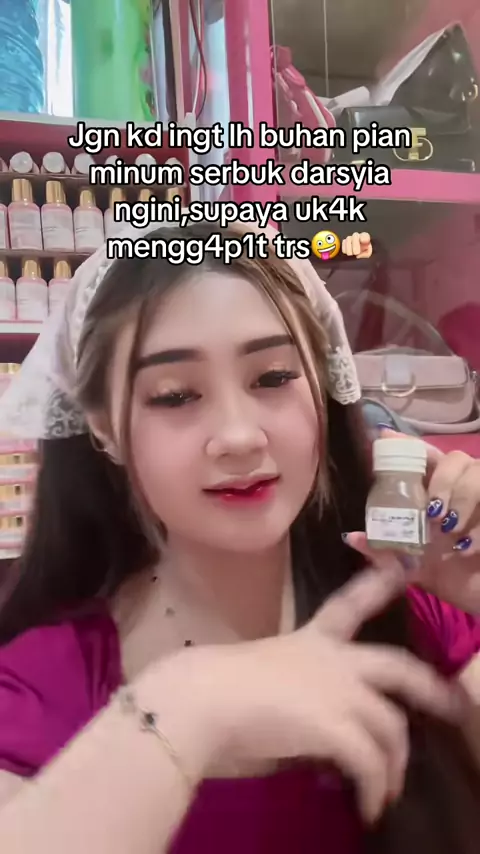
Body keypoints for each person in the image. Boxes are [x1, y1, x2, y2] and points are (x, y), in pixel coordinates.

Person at [0, 222, 479, 854]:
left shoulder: (423, 622)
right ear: (104, 429)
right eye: (175, 395)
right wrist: (184, 709)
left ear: (324, 384)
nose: (239, 436)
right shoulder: (40, 689)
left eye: (273, 378)